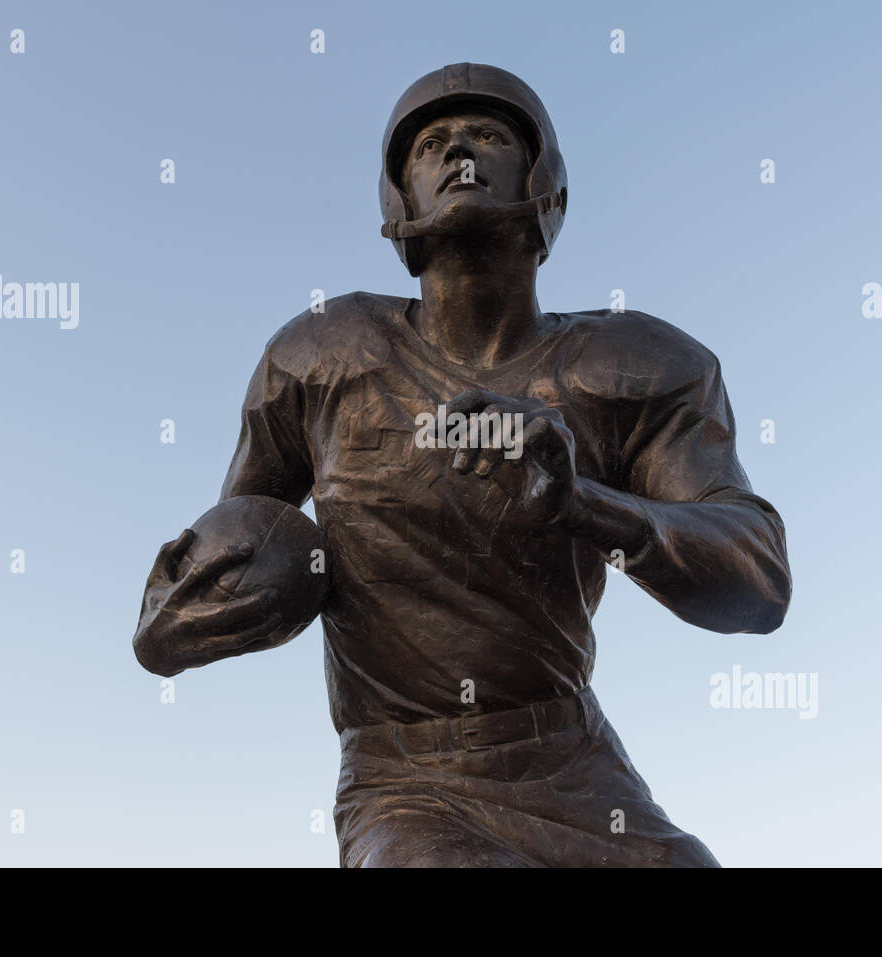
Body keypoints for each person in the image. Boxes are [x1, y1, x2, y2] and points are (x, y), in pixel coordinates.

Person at [134, 63, 792, 867]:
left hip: (570, 754)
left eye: (489, 136)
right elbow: (238, 543)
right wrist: (182, 613)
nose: (460, 155)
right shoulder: (322, 355)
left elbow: (760, 583)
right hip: (403, 772)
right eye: (432, 145)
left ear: (543, 183)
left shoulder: (636, 365)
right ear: (399, 197)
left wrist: (585, 503)